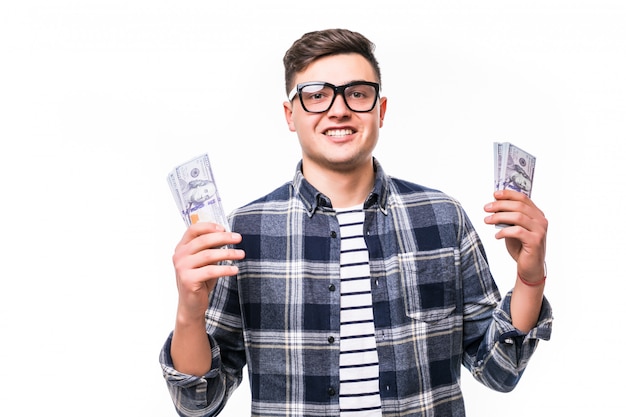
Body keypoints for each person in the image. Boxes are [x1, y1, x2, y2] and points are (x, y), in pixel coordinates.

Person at [159, 28, 552, 417]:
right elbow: (200, 403)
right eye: (316, 95)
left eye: (358, 93)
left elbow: (500, 371)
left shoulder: (442, 217)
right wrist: (189, 312)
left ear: (380, 111)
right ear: (290, 115)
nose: (338, 109)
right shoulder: (245, 232)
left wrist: (530, 277)